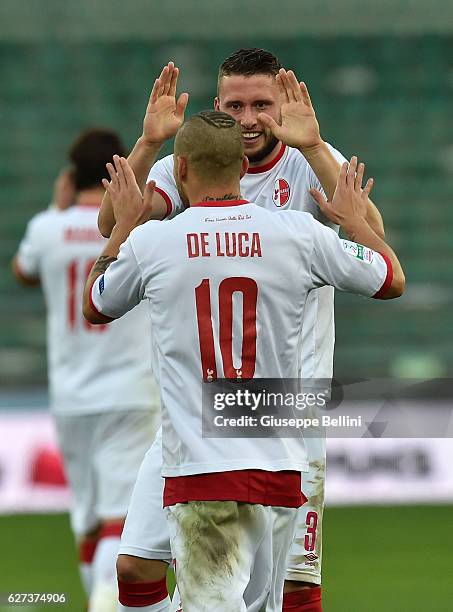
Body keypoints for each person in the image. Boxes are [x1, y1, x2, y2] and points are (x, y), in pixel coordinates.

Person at [98, 51, 385, 611]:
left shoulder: (312, 160)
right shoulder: (196, 161)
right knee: (134, 567)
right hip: (196, 410)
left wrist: (311, 147)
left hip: (285, 405)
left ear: (284, 105)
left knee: (296, 586)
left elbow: (370, 239)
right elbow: (116, 223)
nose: (250, 118)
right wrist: (149, 143)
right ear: (217, 107)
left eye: (261, 105)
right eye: (236, 105)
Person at [12, 129, 161, 612]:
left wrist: (59, 212)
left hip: (71, 395)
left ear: (70, 175)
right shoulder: (138, 229)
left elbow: (22, 270)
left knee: (88, 520)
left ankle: (97, 600)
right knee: (121, 521)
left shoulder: (45, 228)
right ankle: (104, 605)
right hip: (131, 390)